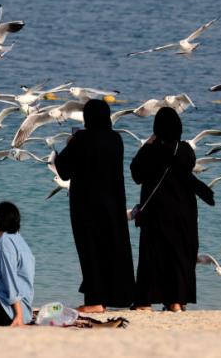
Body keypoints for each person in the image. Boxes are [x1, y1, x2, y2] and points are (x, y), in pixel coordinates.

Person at [54, 99, 134, 313]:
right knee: (110, 249)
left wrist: (70, 144)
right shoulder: (116, 139)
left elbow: (63, 170)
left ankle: (95, 301)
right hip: (113, 204)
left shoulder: (81, 139)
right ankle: (112, 297)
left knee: (90, 251)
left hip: (86, 205)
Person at [130, 107, 211, 312]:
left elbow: (136, 174)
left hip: (156, 212)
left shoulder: (151, 150)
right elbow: (188, 166)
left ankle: (145, 302)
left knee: (152, 256)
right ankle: (176, 301)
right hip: (184, 211)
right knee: (180, 255)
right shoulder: (185, 150)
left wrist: (149, 142)